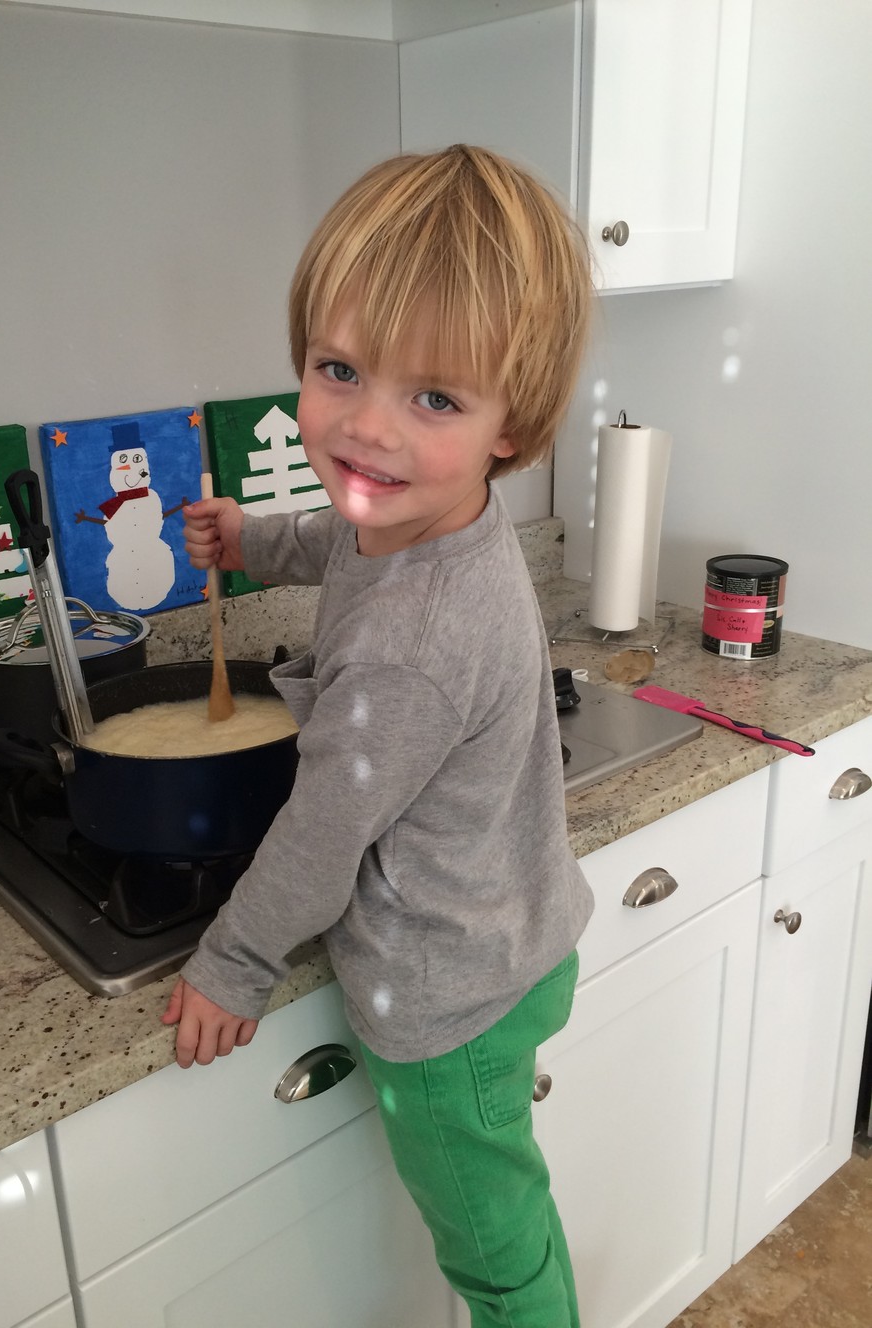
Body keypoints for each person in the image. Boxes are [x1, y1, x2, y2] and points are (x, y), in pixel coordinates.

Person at [162, 143, 595, 1328]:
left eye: (434, 398)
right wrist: (252, 539)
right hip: (512, 940)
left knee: (499, 1262)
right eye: (340, 369)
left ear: (515, 424)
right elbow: (344, 535)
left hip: (448, 1007)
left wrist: (233, 962)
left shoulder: (411, 647)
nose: (366, 428)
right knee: (513, 1212)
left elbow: (319, 841)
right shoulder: (429, 514)